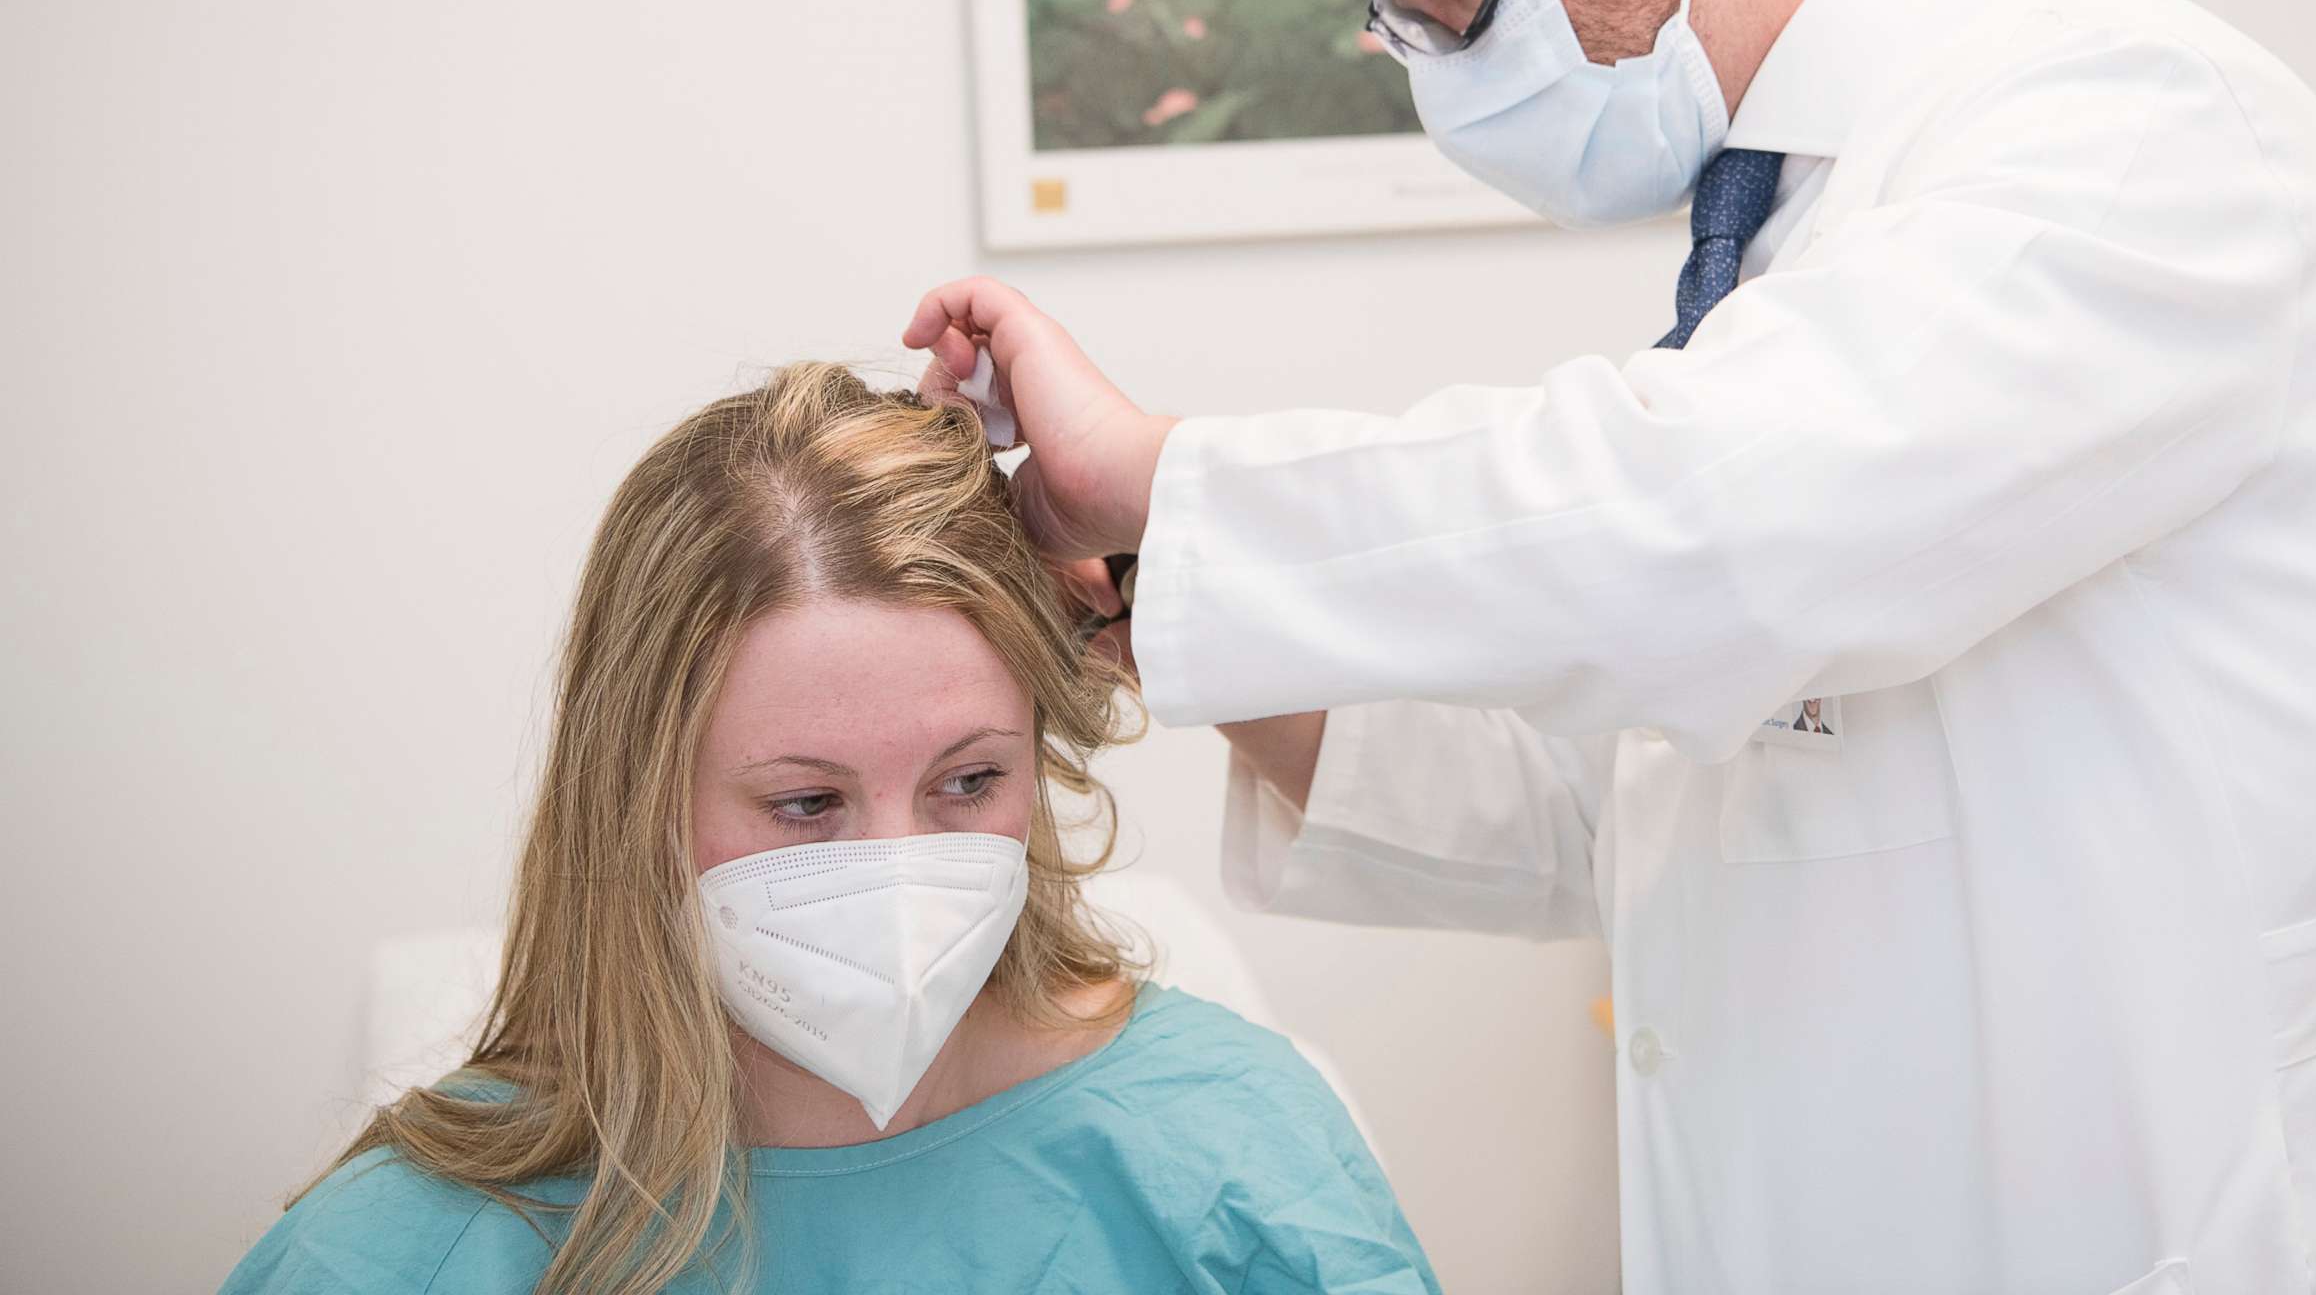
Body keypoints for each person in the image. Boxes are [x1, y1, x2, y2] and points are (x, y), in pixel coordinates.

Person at [901, 0, 2316, 1292]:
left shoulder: (2132, 125)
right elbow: (1652, 803)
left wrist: (1162, 471)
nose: (1436, 70)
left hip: (2204, 1227)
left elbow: (1720, 523)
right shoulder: (1781, 256)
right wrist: (1183, 607)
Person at [219, 364, 1435, 1295]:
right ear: (637, 797)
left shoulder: (1229, 1155)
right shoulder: (419, 1243)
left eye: (969, 784)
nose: (897, 874)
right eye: (807, 803)